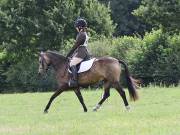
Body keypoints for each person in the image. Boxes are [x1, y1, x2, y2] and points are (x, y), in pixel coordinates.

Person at [66, 18, 90, 87]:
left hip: (81, 52)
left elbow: (75, 46)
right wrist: (72, 55)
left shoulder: (81, 34)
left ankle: (74, 81)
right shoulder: (84, 33)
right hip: (82, 51)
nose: (76, 28)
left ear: (80, 27)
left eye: (76, 27)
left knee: (72, 63)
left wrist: (68, 55)